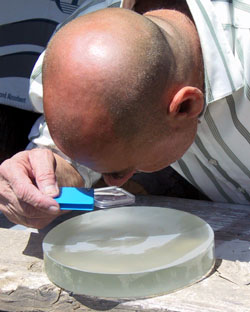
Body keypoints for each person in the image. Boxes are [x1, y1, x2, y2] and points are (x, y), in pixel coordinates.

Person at [1, 0, 250, 229]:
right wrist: (50, 175)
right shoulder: (83, 38)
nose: (114, 184)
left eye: (121, 171)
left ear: (186, 106)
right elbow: (73, 151)